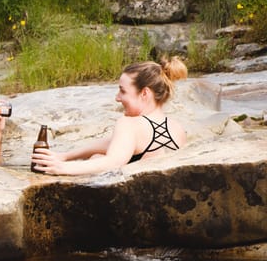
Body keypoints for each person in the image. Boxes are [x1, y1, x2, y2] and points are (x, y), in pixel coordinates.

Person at [30, 57, 188, 176]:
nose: (117, 98)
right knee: (97, 155)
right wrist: (64, 156)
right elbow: (112, 143)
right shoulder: (177, 129)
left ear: (144, 93)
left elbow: (112, 162)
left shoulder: (129, 124)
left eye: (123, 91)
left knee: (97, 160)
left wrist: (61, 168)